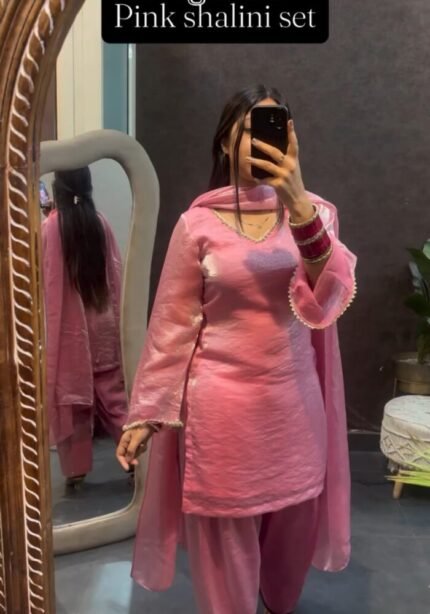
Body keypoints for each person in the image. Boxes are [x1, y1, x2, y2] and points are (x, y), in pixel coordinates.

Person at [116, 84, 357, 614]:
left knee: (292, 533)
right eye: (250, 130)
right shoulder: (197, 225)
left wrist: (296, 202)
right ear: (226, 142)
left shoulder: (316, 214)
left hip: (296, 409)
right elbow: (172, 327)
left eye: (276, 130)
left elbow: (328, 295)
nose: (262, 142)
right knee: (225, 547)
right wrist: (146, 414)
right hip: (220, 415)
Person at [43, 167, 128, 487]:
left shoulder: (52, 227)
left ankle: (76, 472)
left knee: (72, 402)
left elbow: (49, 280)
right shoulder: (100, 221)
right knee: (116, 399)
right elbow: (114, 272)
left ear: (59, 189)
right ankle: (138, 459)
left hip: (71, 329)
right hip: (102, 322)